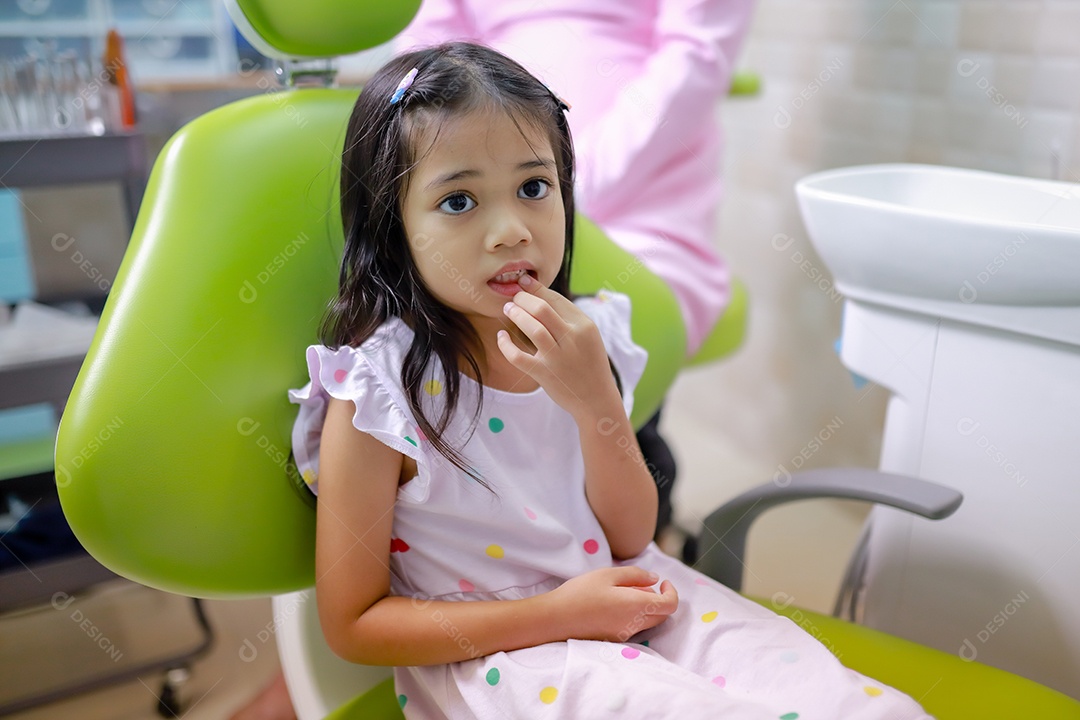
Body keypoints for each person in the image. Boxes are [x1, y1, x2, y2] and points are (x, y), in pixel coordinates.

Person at [279, 42, 931, 719]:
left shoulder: (586, 338)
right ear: (395, 229)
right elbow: (353, 624)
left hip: (633, 594)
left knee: (853, 705)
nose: (510, 231)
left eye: (535, 188)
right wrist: (558, 614)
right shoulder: (380, 394)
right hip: (508, 659)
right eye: (460, 200)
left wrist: (595, 401)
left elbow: (629, 535)